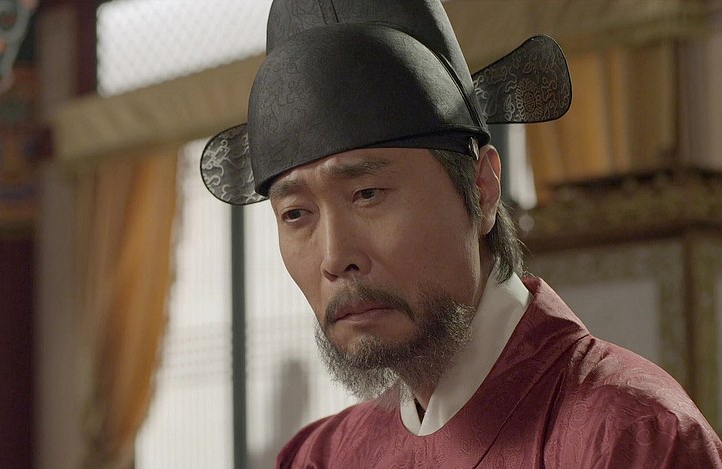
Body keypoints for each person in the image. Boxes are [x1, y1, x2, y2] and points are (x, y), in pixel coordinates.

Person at [200, 0, 722, 466]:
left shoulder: (628, 437)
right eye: (296, 214)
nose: (335, 258)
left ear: (482, 187)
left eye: (367, 194)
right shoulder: (324, 456)